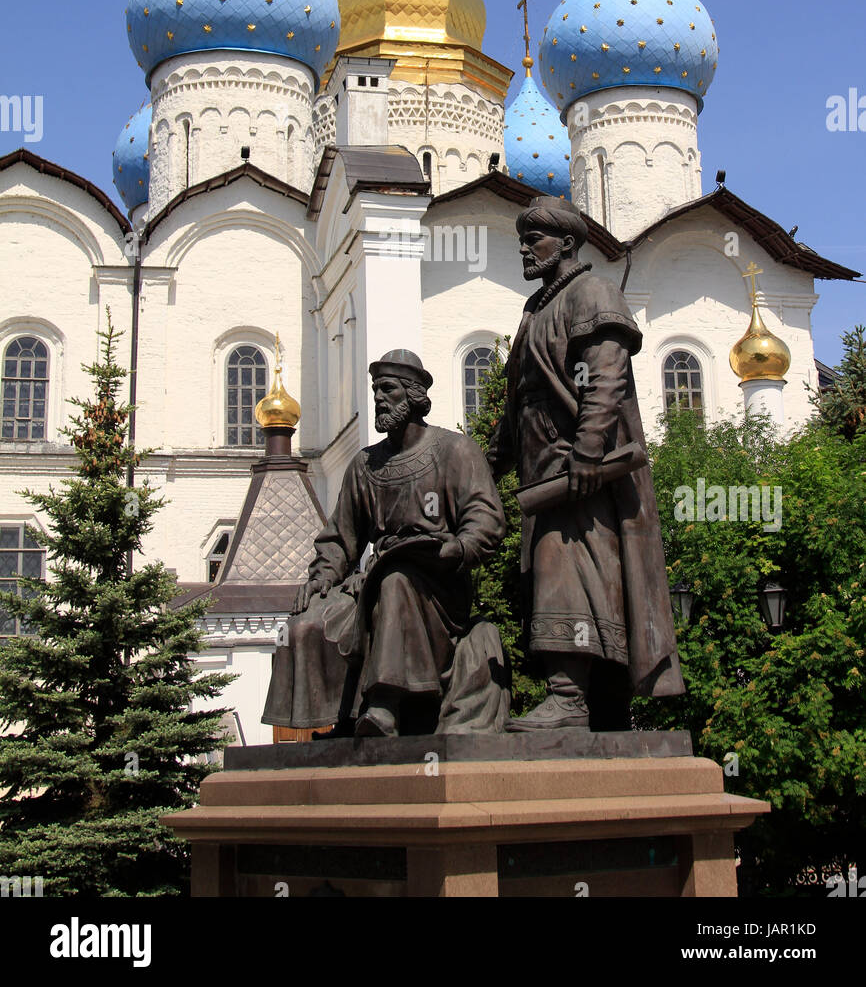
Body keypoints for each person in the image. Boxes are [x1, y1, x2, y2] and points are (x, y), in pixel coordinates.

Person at [488, 196, 684, 731]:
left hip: (583, 475)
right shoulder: (535, 310)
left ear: (568, 242)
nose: (525, 248)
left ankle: (569, 698)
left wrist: (588, 453)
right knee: (566, 575)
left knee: (570, 574)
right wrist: (493, 462)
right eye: (522, 238)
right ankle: (606, 709)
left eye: (536, 238)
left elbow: (606, 378)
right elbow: (521, 396)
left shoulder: (592, 293)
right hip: (545, 471)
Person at [262, 350, 507, 737]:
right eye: (375, 389)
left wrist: (456, 549)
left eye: (387, 389)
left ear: (413, 396)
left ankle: (384, 707)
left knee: (398, 580)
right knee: (308, 624)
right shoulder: (365, 465)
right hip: (375, 581)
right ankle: (320, 732)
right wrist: (322, 577)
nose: (377, 397)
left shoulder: (455, 450)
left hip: (439, 588)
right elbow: (341, 538)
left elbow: (486, 520)